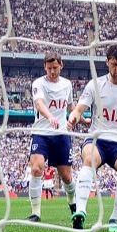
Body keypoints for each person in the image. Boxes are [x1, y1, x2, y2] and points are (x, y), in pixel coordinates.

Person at [67, 44, 117, 232]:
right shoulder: (95, 85)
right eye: (114, 64)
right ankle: (80, 212)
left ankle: (115, 218)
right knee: (89, 158)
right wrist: (73, 117)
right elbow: (79, 109)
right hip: (97, 139)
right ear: (107, 63)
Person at [27, 51, 76, 222]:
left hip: (61, 134)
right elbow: (39, 103)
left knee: (66, 176)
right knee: (36, 169)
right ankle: (35, 213)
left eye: (55, 67)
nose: (52, 71)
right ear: (44, 67)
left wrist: (80, 118)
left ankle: (73, 205)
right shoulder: (38, 83)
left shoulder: (67, 84)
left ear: (61, 65)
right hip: (41, 133)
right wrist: (49, 117)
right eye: (49, 68)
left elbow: (70, 106)